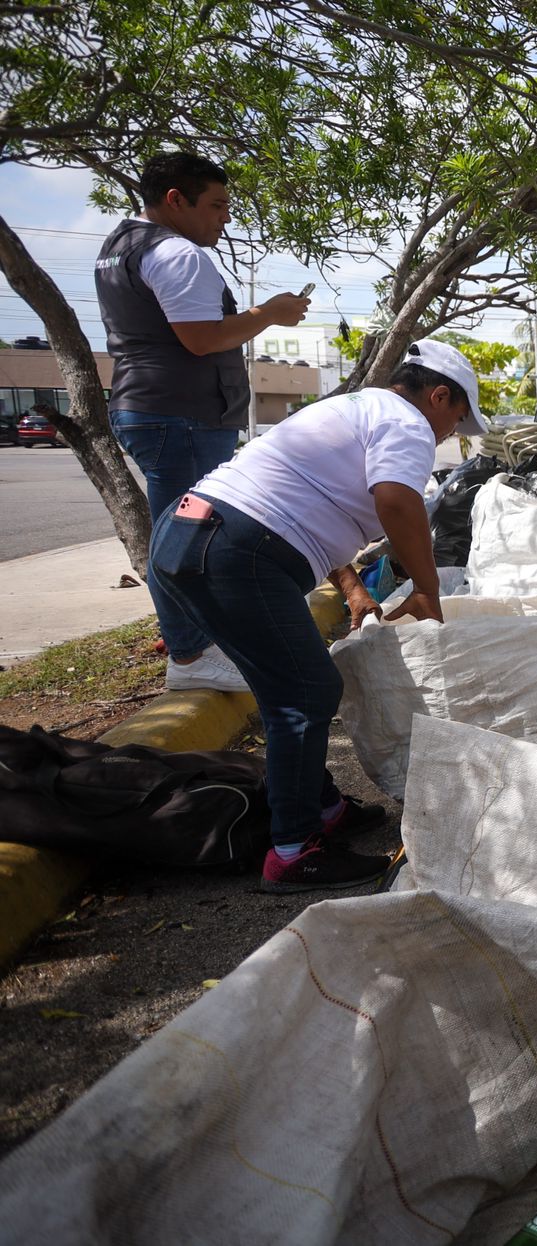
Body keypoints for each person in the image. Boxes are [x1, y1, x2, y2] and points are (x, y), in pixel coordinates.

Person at [147, 339, 487, 891]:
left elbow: (306, 503)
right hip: (236, 551)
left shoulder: (353, 407)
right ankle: (294, 851)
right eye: (457, 418)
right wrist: (427, 590)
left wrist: (351, 585)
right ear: (438, 395)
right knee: (304, 693)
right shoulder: (407, 422)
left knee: (288, 685)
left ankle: (323, 808)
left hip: (186, 539)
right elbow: (396, 503)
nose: (452, 432)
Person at [95, 151, 312, 692]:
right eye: (216, 205)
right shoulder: (176, 254)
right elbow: (202, 337)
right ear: (176, 200)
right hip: (179, 414)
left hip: (153, 407)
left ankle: (198, 648)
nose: (224, 218)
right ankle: (190, 660)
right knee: (184, 540)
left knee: (177, 532)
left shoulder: (120, 244)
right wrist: (270, 314)